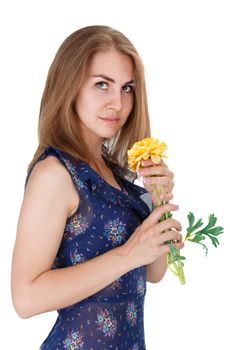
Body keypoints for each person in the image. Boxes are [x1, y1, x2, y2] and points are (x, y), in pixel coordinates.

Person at [11, 25, 184, 349]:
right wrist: (128, 254)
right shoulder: (55, 175)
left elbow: (153, 272)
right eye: (102, 84)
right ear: (70, 86)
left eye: (127, 88)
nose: (117, 103)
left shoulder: (118, 176)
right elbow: (25, 298)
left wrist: (160, 203)